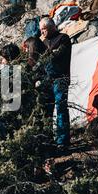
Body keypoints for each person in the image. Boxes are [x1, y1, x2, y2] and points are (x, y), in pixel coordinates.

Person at [37, 18, 72, 148]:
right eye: (41, 30)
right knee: (46, 110)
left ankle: (62, 141)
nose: (42, 32)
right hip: (46, 79)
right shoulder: (41, 41)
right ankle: (48, 140)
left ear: (52, 27)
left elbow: (57, 55)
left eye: (44, 29)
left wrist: (44, 50)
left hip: (60, 78)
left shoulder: (63, 38)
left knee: (61, 108)